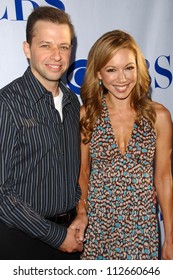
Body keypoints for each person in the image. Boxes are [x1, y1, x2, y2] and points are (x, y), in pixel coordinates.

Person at [0, 6, 87, 260]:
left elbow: (75, 175)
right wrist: (56, 236)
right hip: (20, 243)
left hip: (71, 235)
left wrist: (81, 212)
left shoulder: (73, 103)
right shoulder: (7, 104)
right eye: (46, 45)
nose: (57, 55)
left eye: (64, 46)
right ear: (28, 49)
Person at [78, 30, 173, 260]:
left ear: (139, 68)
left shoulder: (157, 116)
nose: (122, 79)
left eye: (129, 68)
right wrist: (82, 210)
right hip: (98, 227)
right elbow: (83, 172)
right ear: (99, 73)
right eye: (111, 70)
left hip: (143, 227)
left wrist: (169, 237)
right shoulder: (87, 115)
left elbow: (163, 178)